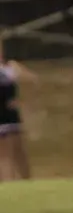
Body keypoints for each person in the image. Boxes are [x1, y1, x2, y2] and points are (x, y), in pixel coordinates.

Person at [0, 42, 36, 182]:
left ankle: (27, 182)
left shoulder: (10, 67)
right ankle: (8, 183)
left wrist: (21, 100)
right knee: (4, 154)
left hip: (12, 114)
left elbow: (32, 80)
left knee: (19, 150)